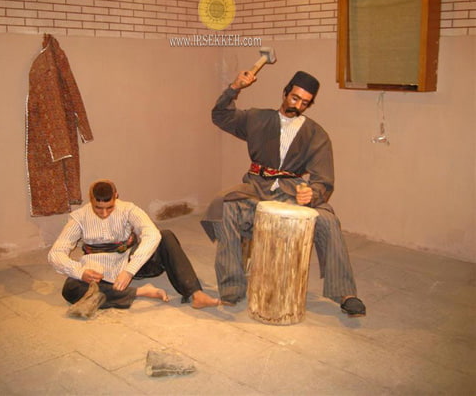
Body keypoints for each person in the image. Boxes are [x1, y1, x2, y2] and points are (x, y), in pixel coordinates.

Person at [200, 70, 366, 317]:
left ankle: (345, 293)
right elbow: (220, 116)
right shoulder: (257, 118)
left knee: (328, 220)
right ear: (285, 93)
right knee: (224, 207)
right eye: (294, 98)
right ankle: (232, 287)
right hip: (255, 189)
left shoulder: (316, 134)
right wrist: (235, 87)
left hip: (292, 192)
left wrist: (312, 194)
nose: (297, 106)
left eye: (304, 102)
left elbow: (323, 180)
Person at [49, 179, 220, 311]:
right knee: (71, 288)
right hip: (98, 270)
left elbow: (151, 234)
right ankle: (139, 292)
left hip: (132, 261)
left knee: (165, 236)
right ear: (91, 199)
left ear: (116, 196)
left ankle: (195, 293)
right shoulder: (79, 217)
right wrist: (80, 272)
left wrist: (130, 270)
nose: (104, 213)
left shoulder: (128, 209)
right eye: (98, 208)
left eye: (109, 207)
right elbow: (55, 253)